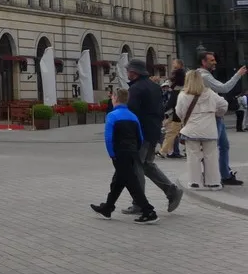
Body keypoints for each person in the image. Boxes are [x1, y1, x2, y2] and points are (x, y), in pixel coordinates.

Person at [90, 88, 158, 223]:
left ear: (115, 98)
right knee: (118, 181)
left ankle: (148, 211)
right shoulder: (133, 116)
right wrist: (135, 150)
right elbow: (140, 137)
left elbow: (109, 138)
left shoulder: (112, 115)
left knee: (131, 183)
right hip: (132, 152)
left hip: (120, 153)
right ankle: (108, 207)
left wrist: (112, 154)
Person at [123, 59, 181, 215]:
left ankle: (139, 203)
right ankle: (172, 191)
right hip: (153, 132)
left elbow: (132, 113)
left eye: (128, 70)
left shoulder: (136, 89)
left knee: (136, 167)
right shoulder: (155, 87)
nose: (127, 73)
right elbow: (161, 108)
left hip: (140, 133)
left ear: (134, 72)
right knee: (147, 164)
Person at [196, 49, 247, 186]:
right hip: (211, 116)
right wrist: (238, 75)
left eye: (214, 59)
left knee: (223, 146)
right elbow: (224, 88)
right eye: (211, 60)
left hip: (215, 115)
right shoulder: (204, 76)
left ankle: (224, 174)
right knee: (212, 148)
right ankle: (211, 176)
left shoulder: (203, 75)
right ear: (203, 62)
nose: (215, 62)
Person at [176, 69, 228, 189]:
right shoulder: (210, 93)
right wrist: (217, 114)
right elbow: (224, 105)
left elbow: (179, 112)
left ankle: (195, 182)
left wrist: (186, 118)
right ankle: (213, 182)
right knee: (211, 156)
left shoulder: (183, 95)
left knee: (193, 156)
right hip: (209, 130)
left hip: (191, 130)